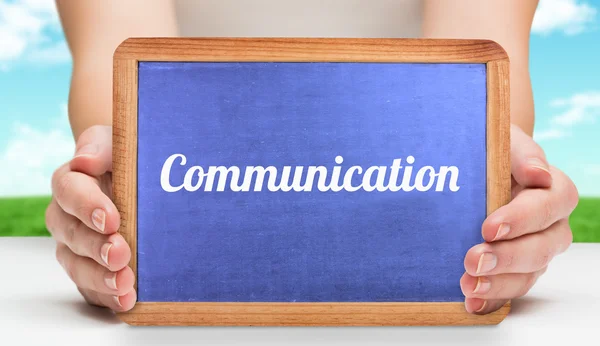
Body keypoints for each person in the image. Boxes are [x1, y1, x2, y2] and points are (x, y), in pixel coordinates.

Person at [46, 0, 579, 315]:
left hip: (418, 268)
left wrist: (505, 181)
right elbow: (123, 79)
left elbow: (477, 75)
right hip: (191, 256)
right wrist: (109, 180)